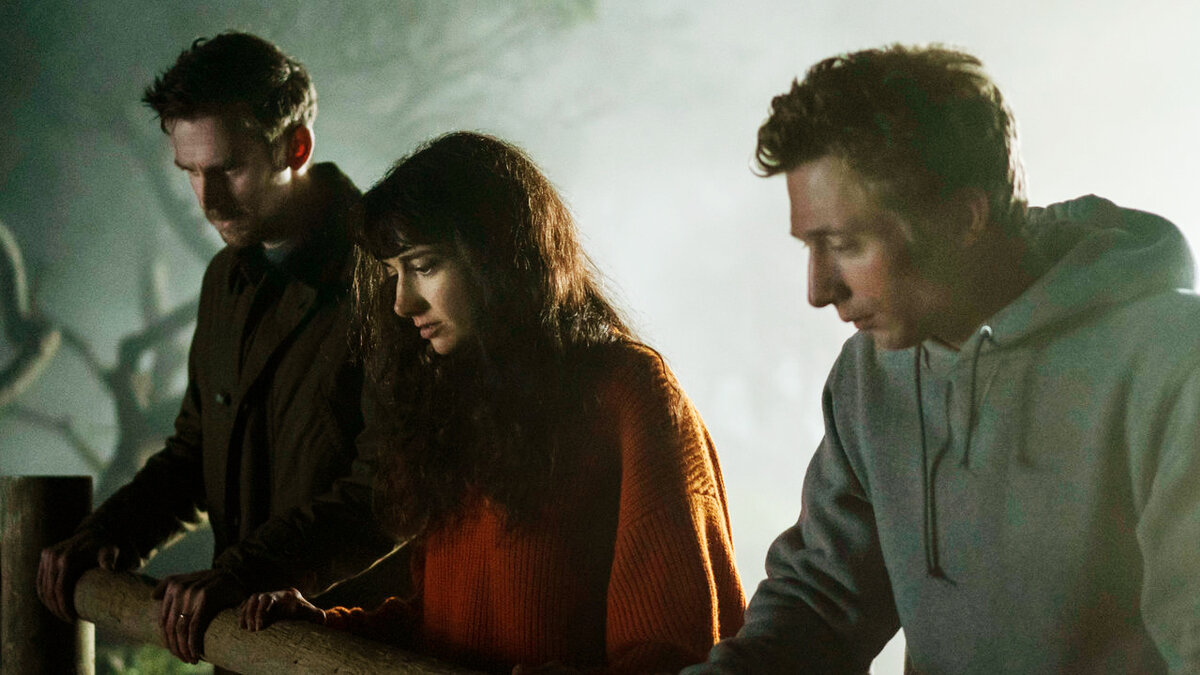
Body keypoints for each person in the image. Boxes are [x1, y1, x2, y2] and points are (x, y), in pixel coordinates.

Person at [684, 44, 1200, 673]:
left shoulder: (1176, 364)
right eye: (809, 247)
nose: (818, 290)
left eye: (845, 244)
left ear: (963, 219)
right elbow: (819, 608)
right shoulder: (870, 374)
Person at [238, 131, 746, 674]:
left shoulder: (629, 393)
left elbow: (680, 649)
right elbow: (442, 629)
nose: (402, 302)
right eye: (392, 273)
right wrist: (324, 627)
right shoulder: (451, 400)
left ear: (501, 257)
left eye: (424, 266)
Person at [36, 32, 401, 666]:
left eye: (229, 168)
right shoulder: (227, 277)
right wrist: (106, 535)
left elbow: (389, 488)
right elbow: (194, 453)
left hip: (357, 646)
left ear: (296, 147)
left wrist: (243, 573)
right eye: (190, 172)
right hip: (248, 645)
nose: (209, 199)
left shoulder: (389, 273)